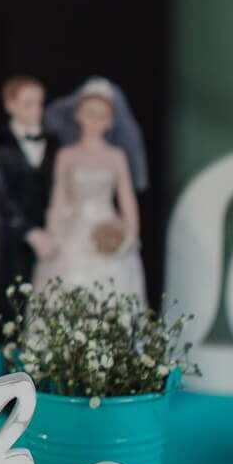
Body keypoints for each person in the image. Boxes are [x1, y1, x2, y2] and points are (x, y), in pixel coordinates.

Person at [28, 77, 146, 303]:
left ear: (110, 121)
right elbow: (59, 197)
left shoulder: (116, 156)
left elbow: (127, 198)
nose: (95, 121)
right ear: (78, 115)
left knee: (112, 286)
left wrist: (130, 233)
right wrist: (53, 233)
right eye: (90, 113)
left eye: (102, 116)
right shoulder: (66, 155)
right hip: (72, 228)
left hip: (107, 227)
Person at [0, 75, 57, 294]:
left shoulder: (54, 142)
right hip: (12, 235)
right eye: (28, 103)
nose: (36, 110)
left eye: (39, 103)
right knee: (15, 298)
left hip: (52, 232)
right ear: (10, 105)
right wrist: (31, 232)